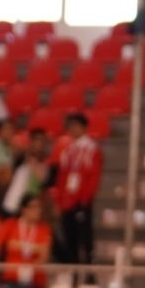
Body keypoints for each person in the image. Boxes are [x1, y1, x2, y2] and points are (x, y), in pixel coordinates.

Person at [52, 112, 102, 265]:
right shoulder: (67, 151)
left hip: (82, 201)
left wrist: (85, 199)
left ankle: (88, 272)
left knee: (85, 237)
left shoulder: (92, 149)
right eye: (70, 126)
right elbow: (61, 178)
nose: (72, 130)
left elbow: (93, 177)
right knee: (69, 236)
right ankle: (72, 269)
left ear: (84, 128)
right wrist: (60, 200)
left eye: (76, 126)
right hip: (68, 201)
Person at [1, 131, 54, 218]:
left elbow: (43, 181)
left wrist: (33, 164)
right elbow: (7, 176)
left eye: (41, 141)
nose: (38, 144)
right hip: (12, 204)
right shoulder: (20, 159)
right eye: (36, 140)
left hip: (32, 206)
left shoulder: (47, 164)